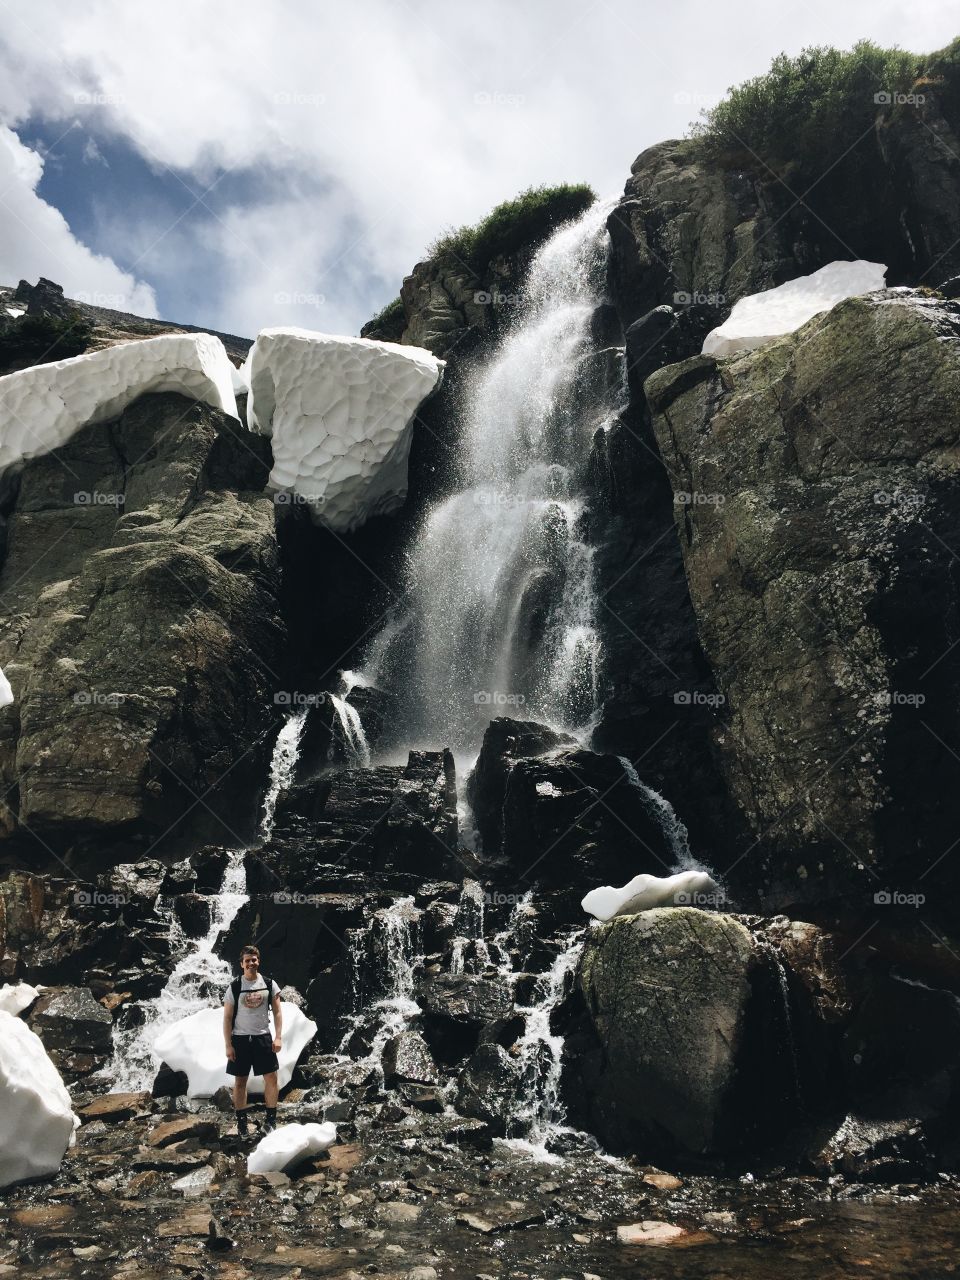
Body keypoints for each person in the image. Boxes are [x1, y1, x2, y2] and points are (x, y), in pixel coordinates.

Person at [223, 945, 282, 1137]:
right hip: (240, 1039)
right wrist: (228, 1044)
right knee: (240, 1081)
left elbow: (278, 1011)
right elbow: (227, 1017)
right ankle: (242, 1124)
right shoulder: (234, 986)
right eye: (247, 960)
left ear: (259, 961)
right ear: (242, 964)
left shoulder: (269, 983)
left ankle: (271, 1121)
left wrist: (278, 1036)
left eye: (254, 959)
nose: (251, 963)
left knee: (271, 1078)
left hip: (262, 1037)